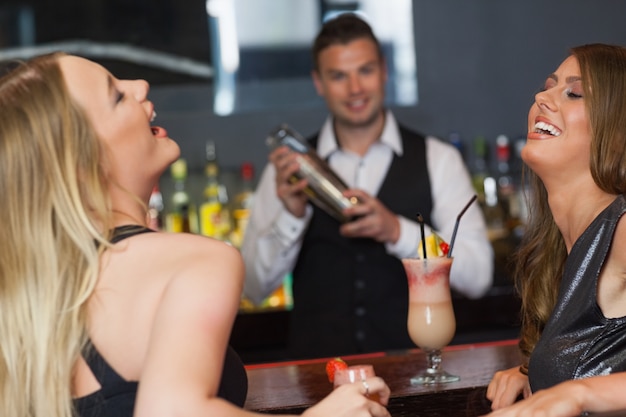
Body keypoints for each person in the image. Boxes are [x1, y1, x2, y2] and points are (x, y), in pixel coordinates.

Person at [0, 52, 392, 417]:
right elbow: (169, 410)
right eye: (117, 96)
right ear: (85, 161)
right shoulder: (196, 261)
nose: (140, 85)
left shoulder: (31, 298)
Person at [241, 13, 493, 360]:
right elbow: (253, 288)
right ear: (318, 82)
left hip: (416, 378)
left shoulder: (439, 159)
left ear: (384, 71)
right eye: (338, 76)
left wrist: (396, 231)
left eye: (365, 70)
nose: (355, 88)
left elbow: (478, 276)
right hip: (321, 384)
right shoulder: (287, 171)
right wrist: (291, 215)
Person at [485, 43, 626, 416]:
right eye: (549, 86)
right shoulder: (561, 247)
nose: (541, 97)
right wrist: (536, 374)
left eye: (574, 93)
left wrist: (577, 394)